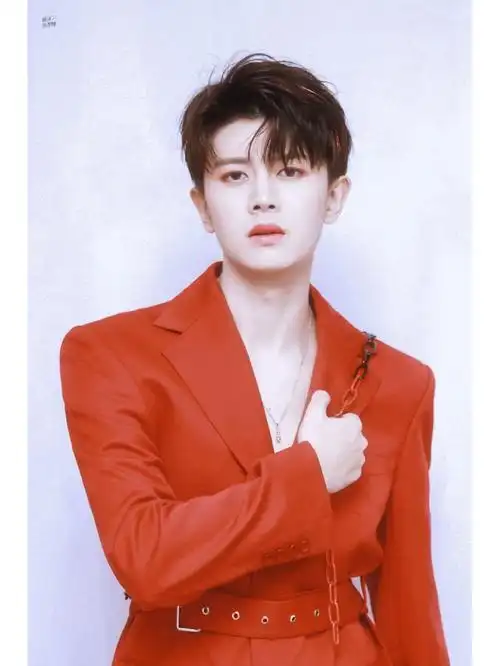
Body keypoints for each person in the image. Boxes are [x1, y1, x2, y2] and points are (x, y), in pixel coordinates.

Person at [59, 53, 450, 666]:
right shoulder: (111, 355)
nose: (263, 199)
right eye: (235, 175)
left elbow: (408, 605)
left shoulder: (399, 382)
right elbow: (145, 560)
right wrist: (308, 475)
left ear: (334, 196)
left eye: (290, 170)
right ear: (202, 205)